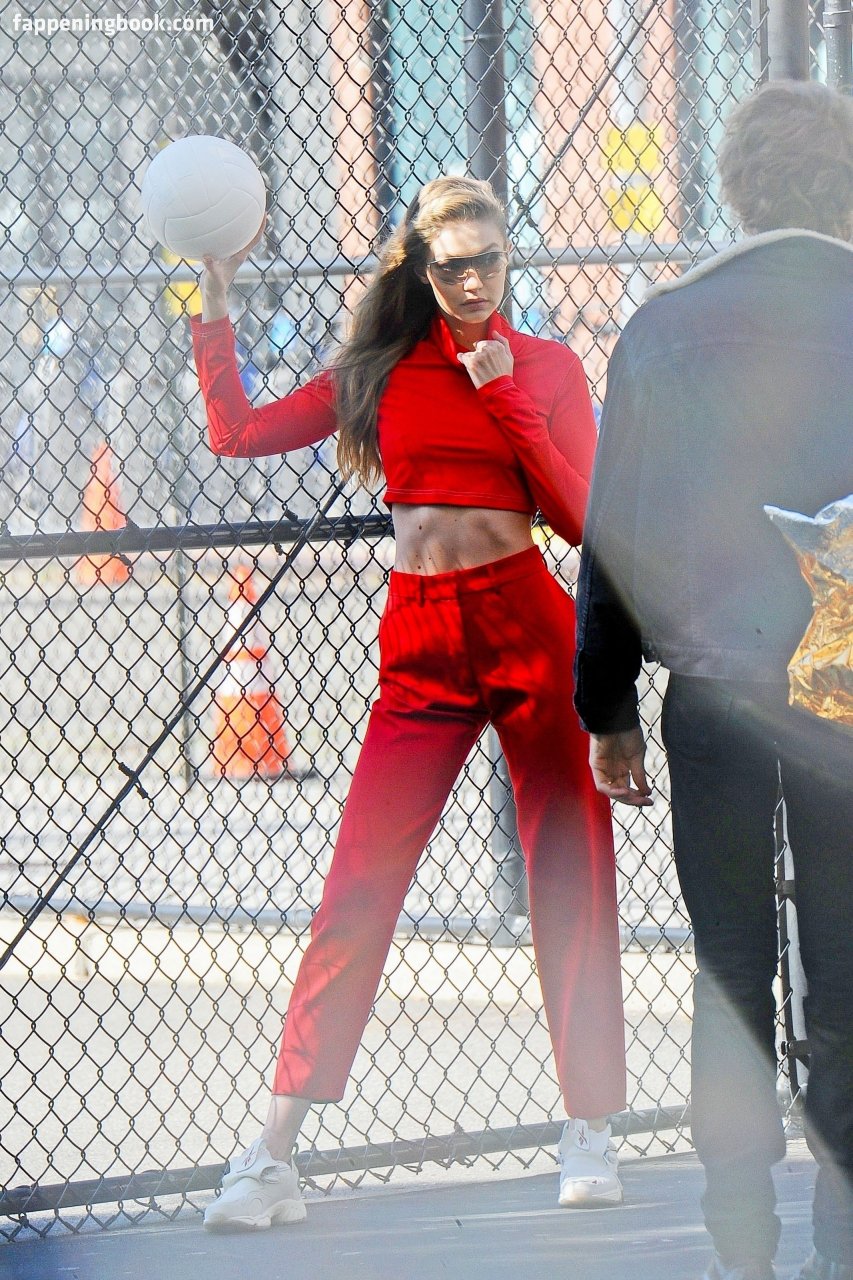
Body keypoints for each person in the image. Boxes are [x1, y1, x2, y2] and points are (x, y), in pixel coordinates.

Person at [190, 175, 627, 1230]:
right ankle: (273, 1153)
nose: (474, 282)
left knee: (570, 868)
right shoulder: (380, 369)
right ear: (422, 271)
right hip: (421, 635)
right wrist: (215, 302)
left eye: (489, 261)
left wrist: (504, 393)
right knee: (358, 884)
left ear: (509, 258)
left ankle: (589, 1125)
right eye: (453, 266)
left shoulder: (547, 366)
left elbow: (583, 517)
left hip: (527, 621)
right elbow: (236, 433)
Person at [573, 81, 853, 1280]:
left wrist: (608, 705)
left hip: (716, 688)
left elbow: (617, 530)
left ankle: (740, 1247)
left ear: (733, 187)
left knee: (730, 964)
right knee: (847, 965)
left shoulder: (665, 325)